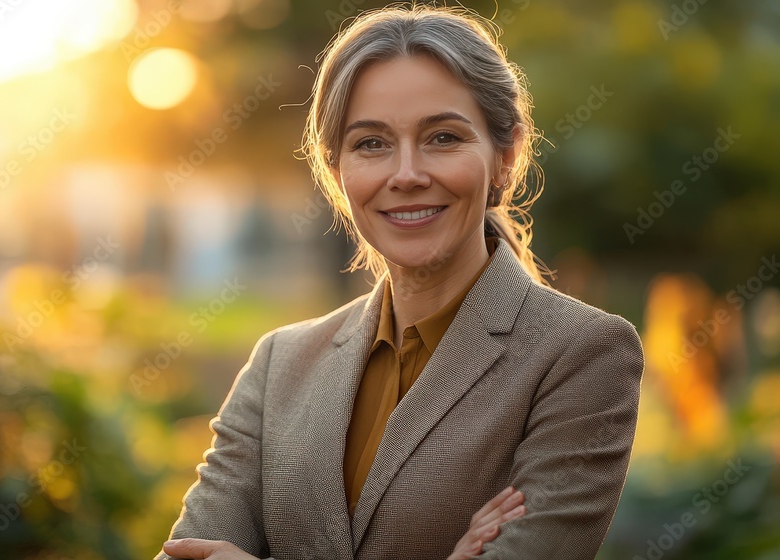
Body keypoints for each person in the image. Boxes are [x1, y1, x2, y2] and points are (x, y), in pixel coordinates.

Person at [156, 5, 645, 560]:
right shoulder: (279, 364)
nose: (407, 174)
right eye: (371, 143)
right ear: (337, 173)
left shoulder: (581, 353)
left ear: (505, 157)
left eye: (442, 137)